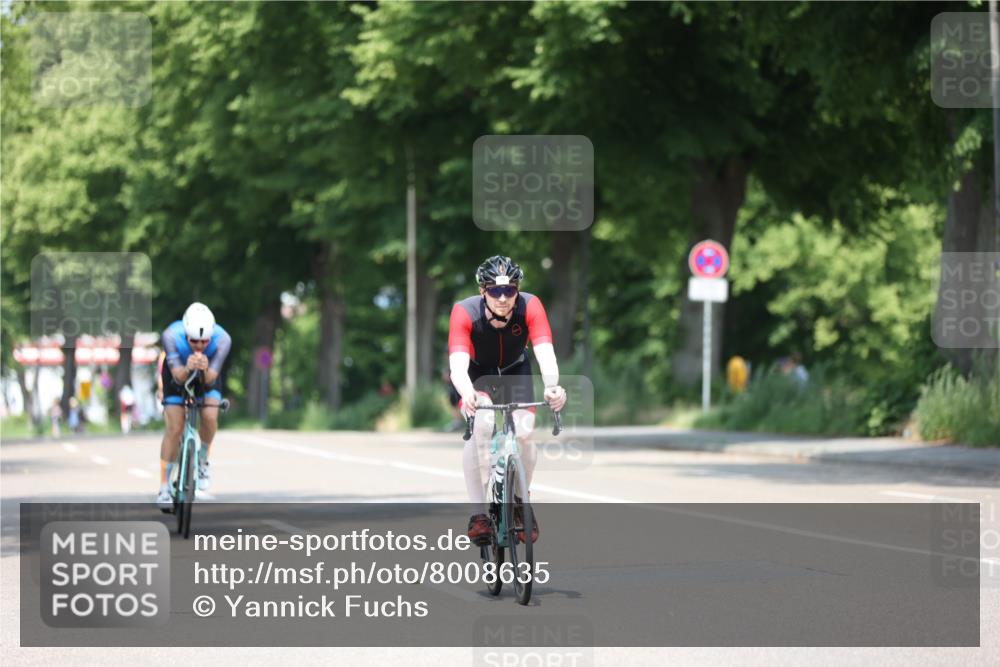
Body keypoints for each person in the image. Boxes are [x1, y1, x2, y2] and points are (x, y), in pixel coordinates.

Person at [448, 255, 567, 546]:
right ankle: (478, 514)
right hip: (478, 376)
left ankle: (519, 503)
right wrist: (468, 394)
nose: (503, 298)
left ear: (517, 290)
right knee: (482, 426)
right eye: (495, 291)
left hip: (516, 371)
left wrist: (553, 387)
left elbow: (545, 352)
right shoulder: (464, 312)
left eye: (510, 291)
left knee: (525, 434)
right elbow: (458, 367)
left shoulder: (530, 306)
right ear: (483, 291)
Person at [156, 302, 231, 509]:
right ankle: (164, 487)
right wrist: (188, 367)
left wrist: (204, 369)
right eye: (194, 341)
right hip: (176, 375)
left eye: (205, 341)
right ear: (186, 335)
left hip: (208, 377)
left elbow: (211, 380)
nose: (199, 346)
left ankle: (203, 458)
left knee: (209, 416)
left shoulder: (223, 339)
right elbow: (178, 378)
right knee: (175, 427)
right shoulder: (171, 336)